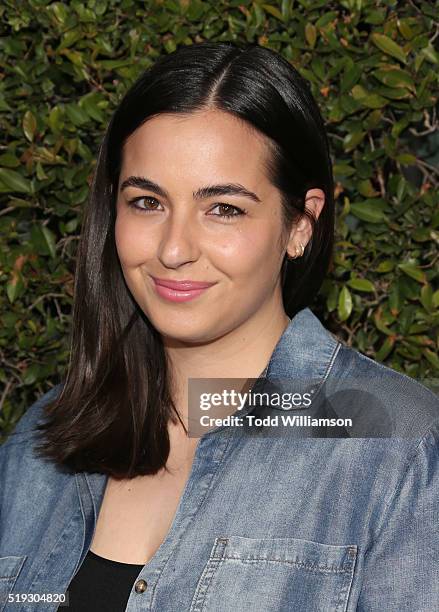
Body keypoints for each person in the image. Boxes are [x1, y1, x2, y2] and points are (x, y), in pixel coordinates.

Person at [1, 41, 438, 612]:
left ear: (300, 225)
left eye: (224, 208)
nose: (175, 248)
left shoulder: (399, 446)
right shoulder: (40, 443)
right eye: (147, 202)